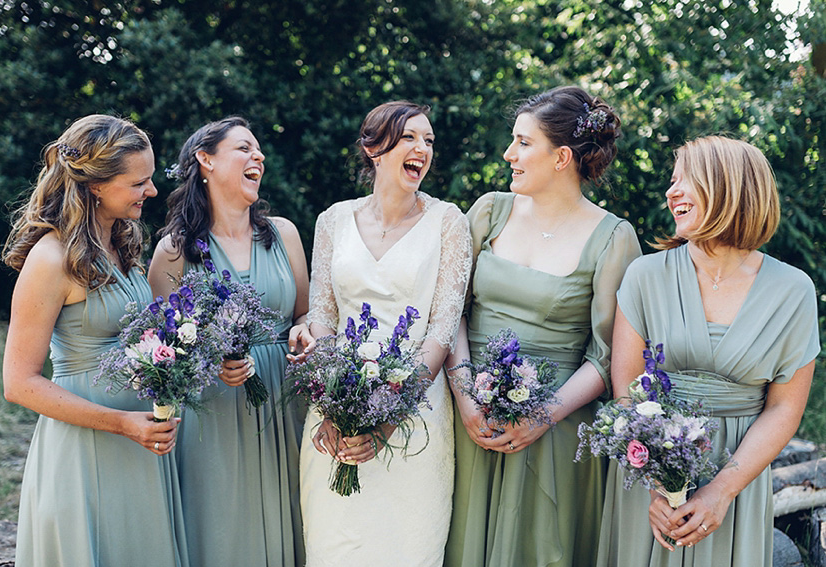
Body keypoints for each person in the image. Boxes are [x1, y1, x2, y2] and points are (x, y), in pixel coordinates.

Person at [596, 136, 819, 566]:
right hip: (648, 483)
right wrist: (656, 483)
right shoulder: (645, 275)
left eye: (685, 180)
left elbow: (784, 410)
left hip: (736, 479)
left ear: (729, 187)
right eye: (671, 181)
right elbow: (625, 390)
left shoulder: (793, 291)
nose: (670, 192)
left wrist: (721, 491)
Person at [444, 86, 642, 567]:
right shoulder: (489, 211)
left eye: (523, 143)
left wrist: (542, 416)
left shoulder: (613, 238)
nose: (509, 154)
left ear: (562, 157)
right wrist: (465, 392)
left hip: (554, 433)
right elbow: (450, 310)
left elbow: (607, 356)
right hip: (468, 419)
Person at [2, 114, 188, 566]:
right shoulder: (51, 259)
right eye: (138, 182)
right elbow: (19, 382)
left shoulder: (120, 242)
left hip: (140, 440)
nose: (152, 191)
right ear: (95, 187)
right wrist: (121, 423)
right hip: (87, 447)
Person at [299, 100, 472, 566]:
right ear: (374, 149)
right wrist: (331, 405)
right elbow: (323, 321)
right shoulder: (332, 221)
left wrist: (390, 420)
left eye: (429, 140)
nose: (423, 149)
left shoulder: (449, 223)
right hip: (335, 411)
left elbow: (441, 330)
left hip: (416, 416)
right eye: (410, 137)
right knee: (336, 546)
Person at [148, 116, 312, 567]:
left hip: (284, 400)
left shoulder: (283, 234)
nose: (258, 156)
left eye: (258, 151)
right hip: (215, 411)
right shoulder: (174, 252)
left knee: (297, 519)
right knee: (223, 534)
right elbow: (164, 351)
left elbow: (304, 313)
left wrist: (303, 331)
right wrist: (208, 360)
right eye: (244, 148)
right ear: (206, 160)